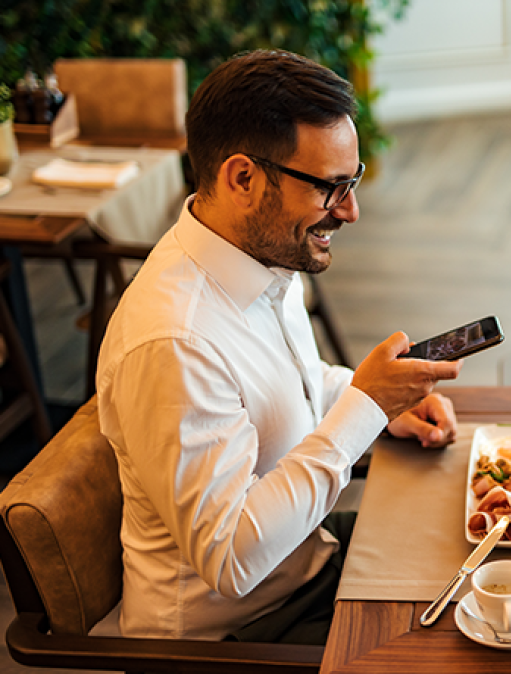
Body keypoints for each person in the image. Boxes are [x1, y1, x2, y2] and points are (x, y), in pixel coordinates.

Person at [96, 49, 462, 644]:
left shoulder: (258, 257)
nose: (351, 210)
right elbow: (232, 561)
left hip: (304, 564)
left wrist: (375, 401)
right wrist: (363, 410)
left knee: (470, 552)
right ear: (243, 179)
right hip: (236, 638)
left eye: (353, 180)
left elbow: (291, 383)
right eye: (330, 187)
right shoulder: (174, 342)